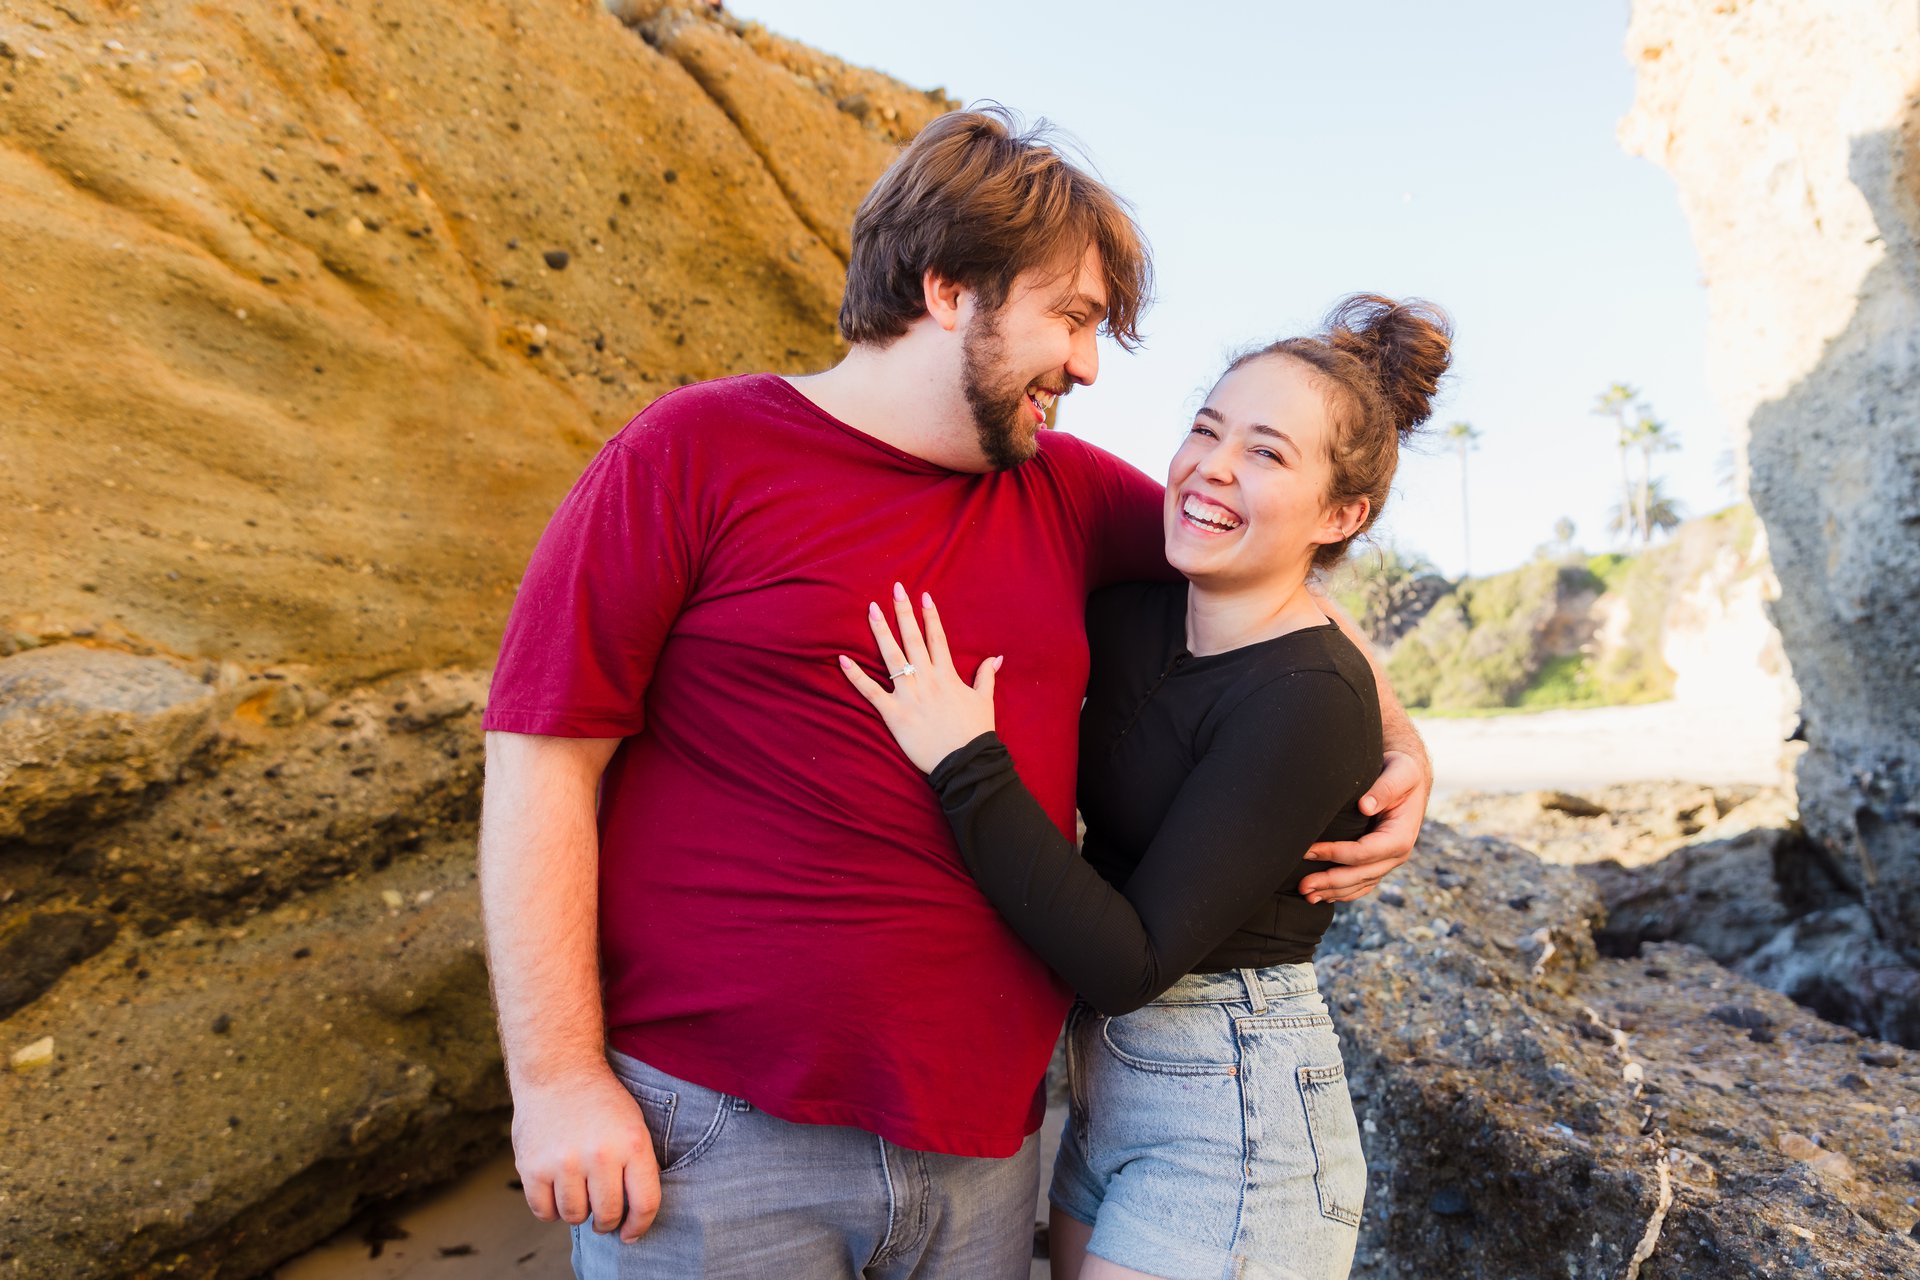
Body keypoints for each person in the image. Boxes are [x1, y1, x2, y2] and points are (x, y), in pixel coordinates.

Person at [478, 107, 1432, 1279]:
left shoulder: (1064, 491)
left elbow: (1268, 573)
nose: (1088, 364)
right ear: (947, 289)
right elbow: (540, 758)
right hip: (719, 1141)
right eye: (1071, 318)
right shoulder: (690, 452)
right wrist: (557, 1076)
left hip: (987, 1150)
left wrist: (1398, 737)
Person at [839, 295, 1452, 1280]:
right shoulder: (1136, 608)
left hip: (1238, 1114)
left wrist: (965, 760)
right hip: (1105, 1092)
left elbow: (1132, 963)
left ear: (1341, 516)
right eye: (1205, 430)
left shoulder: (1310, 696)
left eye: (1266, 452)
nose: (1214, 466)